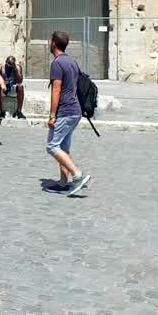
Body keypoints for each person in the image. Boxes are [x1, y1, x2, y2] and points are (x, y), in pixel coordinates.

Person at [47, 30, 91, 194]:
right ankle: (64, 181)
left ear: (53, 43)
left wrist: (52, 115)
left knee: (52, 146)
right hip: (75, 110)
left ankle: (77, 175)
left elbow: (56, 90)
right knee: (63, 147)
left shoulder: (57, 63)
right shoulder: (72, 61)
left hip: (65, 111)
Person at [0, 55, 25, 120]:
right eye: (8, 64)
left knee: (20, 87)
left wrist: (15, 69)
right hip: (4, 86)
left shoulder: (18, 67)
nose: (8, 66)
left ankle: (19, 111)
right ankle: (1, 111)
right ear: (5, 62)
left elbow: (20, 80)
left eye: (11, 64)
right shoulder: (0, 67)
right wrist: (3, 84)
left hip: (13, 86)